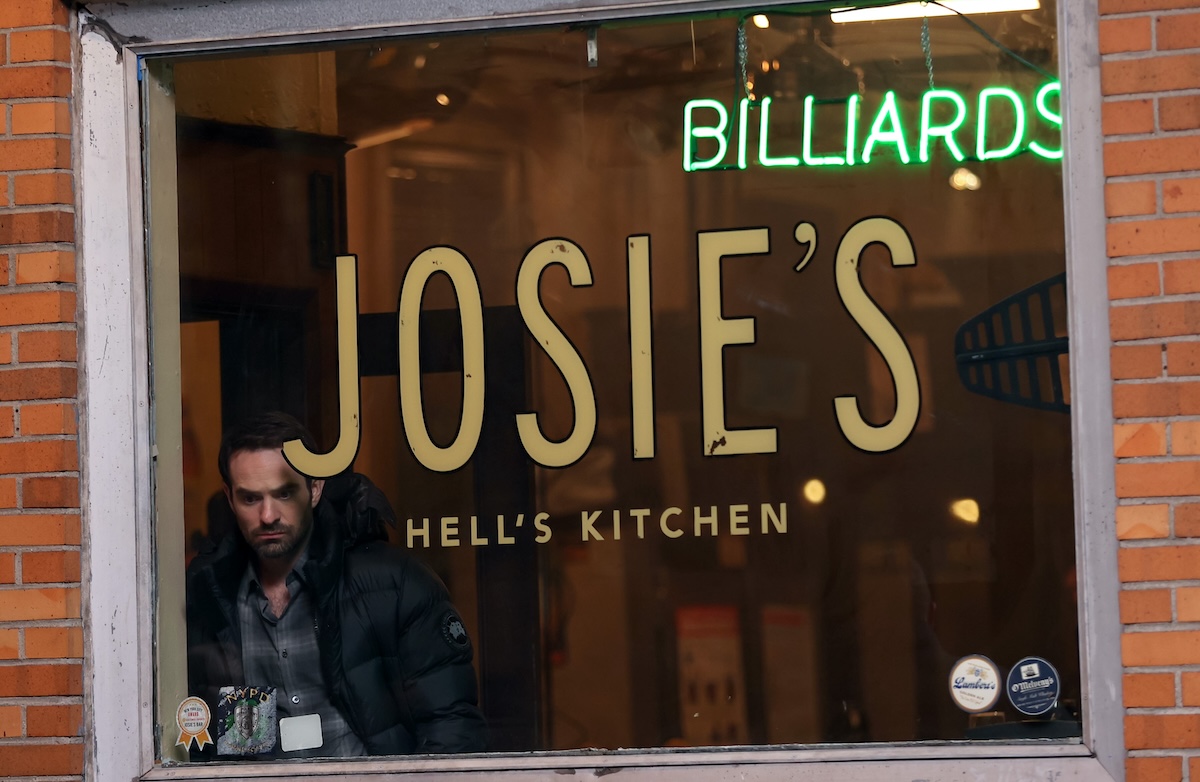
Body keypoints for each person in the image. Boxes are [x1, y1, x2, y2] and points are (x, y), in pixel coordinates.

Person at [185, 412, 487, 757]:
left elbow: (451, 727)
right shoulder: (213, 598)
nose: (268, 516)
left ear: (314, 489)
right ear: (229, 497)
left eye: (284, 494)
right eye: (251, 498)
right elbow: (223, 740)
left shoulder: (393, 585)